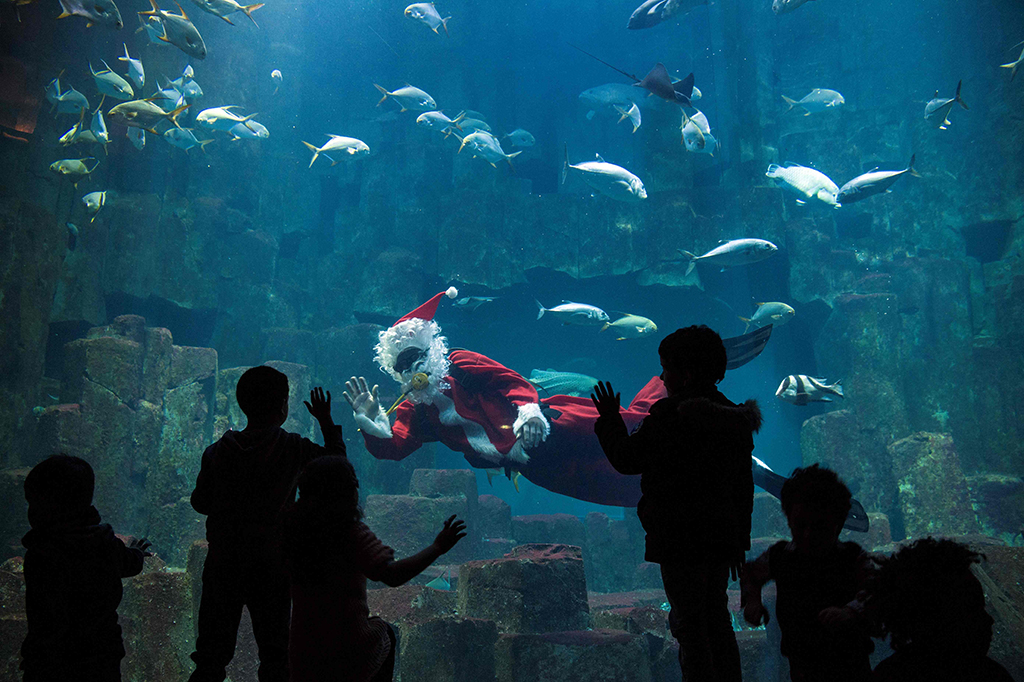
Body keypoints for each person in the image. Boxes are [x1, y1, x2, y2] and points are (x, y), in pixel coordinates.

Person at [592, 324, 761, 682]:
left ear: (684, 375)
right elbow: (741, 489)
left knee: (688, 623)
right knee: (715, 617)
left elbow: (626, 459)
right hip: (719, 543)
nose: (661, 376)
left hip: (678, 541)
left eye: (666, 368)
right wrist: (738, 543)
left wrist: (609, 419)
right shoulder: (735, 422)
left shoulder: (669, 420)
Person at [188, 367, 344, 682]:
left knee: (210, 657)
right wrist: (325, 420)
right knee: (276, 657)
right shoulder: (293, 447)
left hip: (223, 564)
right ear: (283, 406)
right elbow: (337, 467)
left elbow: (200, 502)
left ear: (241, 403)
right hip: (272, 565)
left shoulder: (217, 452)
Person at [285, 456, 466, 682]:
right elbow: (392, 574)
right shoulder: (348, 532)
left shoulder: (291, 529)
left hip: (304, 649)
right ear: (346, 492)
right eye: (353, 484)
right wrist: (438, 547)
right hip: (345, 648)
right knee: (385, 633)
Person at [20, 454, 152, 682]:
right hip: (101, 656)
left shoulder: (42, 553)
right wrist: (137, 551)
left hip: (49, 662)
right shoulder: (104, 543)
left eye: (33, 502)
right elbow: (130, 563)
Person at [740, 464, 875, 682]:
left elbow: (875, 592)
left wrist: (850, 612)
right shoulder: (780, 556)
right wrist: (753, 602)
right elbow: (750, 574)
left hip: (850, 665)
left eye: (819, 526)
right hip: (802, 666)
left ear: (838, 524)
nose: (808, 534)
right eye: (800, 525)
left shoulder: (852, 558)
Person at [870, 538, 1013, 682]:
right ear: (935, 620)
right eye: (972, 610)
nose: (990, 620)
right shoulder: (991, 675)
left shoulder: (889, 674)